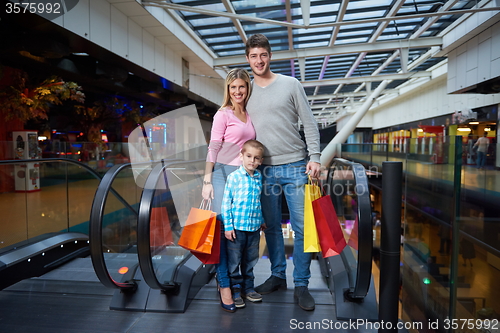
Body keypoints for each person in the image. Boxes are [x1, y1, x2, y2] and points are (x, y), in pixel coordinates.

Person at [244, 33, 321, 311]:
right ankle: (278, 277)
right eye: (253, 56)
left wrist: (316, 157)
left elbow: (309, 123)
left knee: (302, 229)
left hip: (296, 166)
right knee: (272, 227)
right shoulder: (247, 91)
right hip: (262, 170)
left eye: (263, 54)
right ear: (248, 58)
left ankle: (301, 284)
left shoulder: (291, 84)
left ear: (270, 56)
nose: (259, 60)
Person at [202, 68, 255, 313]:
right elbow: (213, 146)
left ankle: (239, 284)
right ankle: (224, 285)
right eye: (233, 87)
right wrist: (207, 179)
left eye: (241, 87)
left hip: (244, 177)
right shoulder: (223, 114)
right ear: (228, 89)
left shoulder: (249, 114)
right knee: (224, 232)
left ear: (247, 88)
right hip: (223, 173)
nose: (237, 91)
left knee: (240, 232)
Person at [221, 139, 265, 308]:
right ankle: (236, 289)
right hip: (237, 229)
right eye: (248, 156)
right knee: (234, 261)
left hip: (253, 228)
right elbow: (226, 203)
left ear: (260, 161)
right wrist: (228, 226)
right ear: (241, 156)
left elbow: (257, 201)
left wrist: (261, 220)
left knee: (250, 260)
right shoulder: (234, 177)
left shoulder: (258, 177)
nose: (252, 161)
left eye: (256, 158)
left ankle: (249, 288)